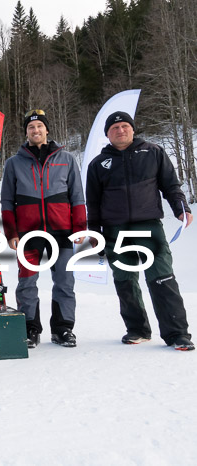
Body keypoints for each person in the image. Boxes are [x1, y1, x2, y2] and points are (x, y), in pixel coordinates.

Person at [86, 111, 194, 351]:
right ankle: (137, 329)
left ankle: (177, 333)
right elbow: (92, 202)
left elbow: (171, 186)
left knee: (162, 277)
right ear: (107, 134)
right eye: (115, 128)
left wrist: (181, 208)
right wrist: (95, 232)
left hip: (149, 226)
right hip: (115, 229)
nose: (121, 130)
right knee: (125, 281)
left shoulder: (153, 152)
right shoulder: (98, 164)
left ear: (133, 129)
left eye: (125, 126)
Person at [1, 110, 86, 348]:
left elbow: (77, 196)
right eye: (31, 127)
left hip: (62, 231)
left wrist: (80, 227)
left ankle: (63, 329)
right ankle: (30, 328)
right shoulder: (14, 163)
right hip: (28, 233)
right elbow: (6, 201)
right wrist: (11, 232)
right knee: (27, 282)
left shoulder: (66, 159)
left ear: (47, 130)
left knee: (65, 281)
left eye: (39, 126)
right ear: (26, 132)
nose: (35, 130)